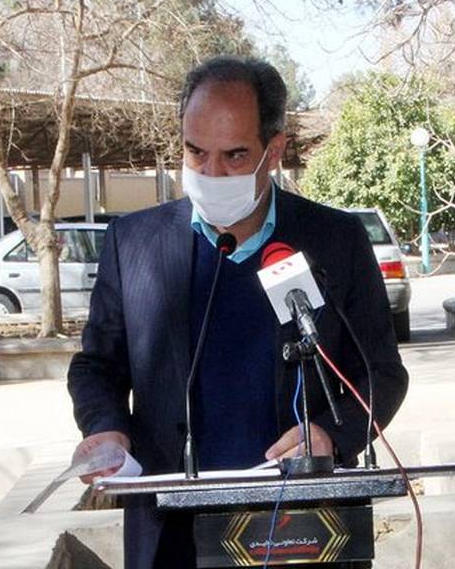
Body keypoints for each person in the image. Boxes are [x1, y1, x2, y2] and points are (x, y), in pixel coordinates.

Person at [66, 55, 409, 569]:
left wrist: (331, 437)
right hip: (171, 533)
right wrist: (105, 426)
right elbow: (97, 366)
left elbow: (381, 373)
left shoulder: (335, 241)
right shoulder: (132, 242)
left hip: (301, 528)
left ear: (275, 151)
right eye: (195, 152)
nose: (211, 172)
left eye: (234, 155)